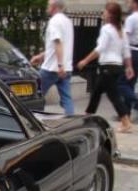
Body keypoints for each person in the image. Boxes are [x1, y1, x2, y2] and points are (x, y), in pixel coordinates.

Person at [78, 2, 134, 133]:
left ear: (110, 15)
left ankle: (125, 121)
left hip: (107, 67)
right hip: (116, 67)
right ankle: (88, 116)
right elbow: (126, 51)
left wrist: (85, 60)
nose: (102, 13)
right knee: (96, 92)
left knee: (113, 95)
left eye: (105, 11)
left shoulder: (106, 29)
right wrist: (129, 67)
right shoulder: (120, 30)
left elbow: (100, 48)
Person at [30, 0, 75, 115]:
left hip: (51, 68)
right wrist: (41, 56)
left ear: (54, 7)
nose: (47, 7)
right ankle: (71, 122)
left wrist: (59, 65)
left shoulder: (54, 21)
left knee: (35, 95)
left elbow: (58, 43)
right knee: (67, 99)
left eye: (48, 5)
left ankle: (32, 119)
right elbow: (58, 46)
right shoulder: (67, 22)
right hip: (66, 68)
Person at [118, 0, 138, 115]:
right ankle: (126, 115)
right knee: (130, 84)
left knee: (121, 84)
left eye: (130, 2)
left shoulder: (132, 18)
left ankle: (136, 102)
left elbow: (125, 39)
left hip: (132, 52)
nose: (128, 4)